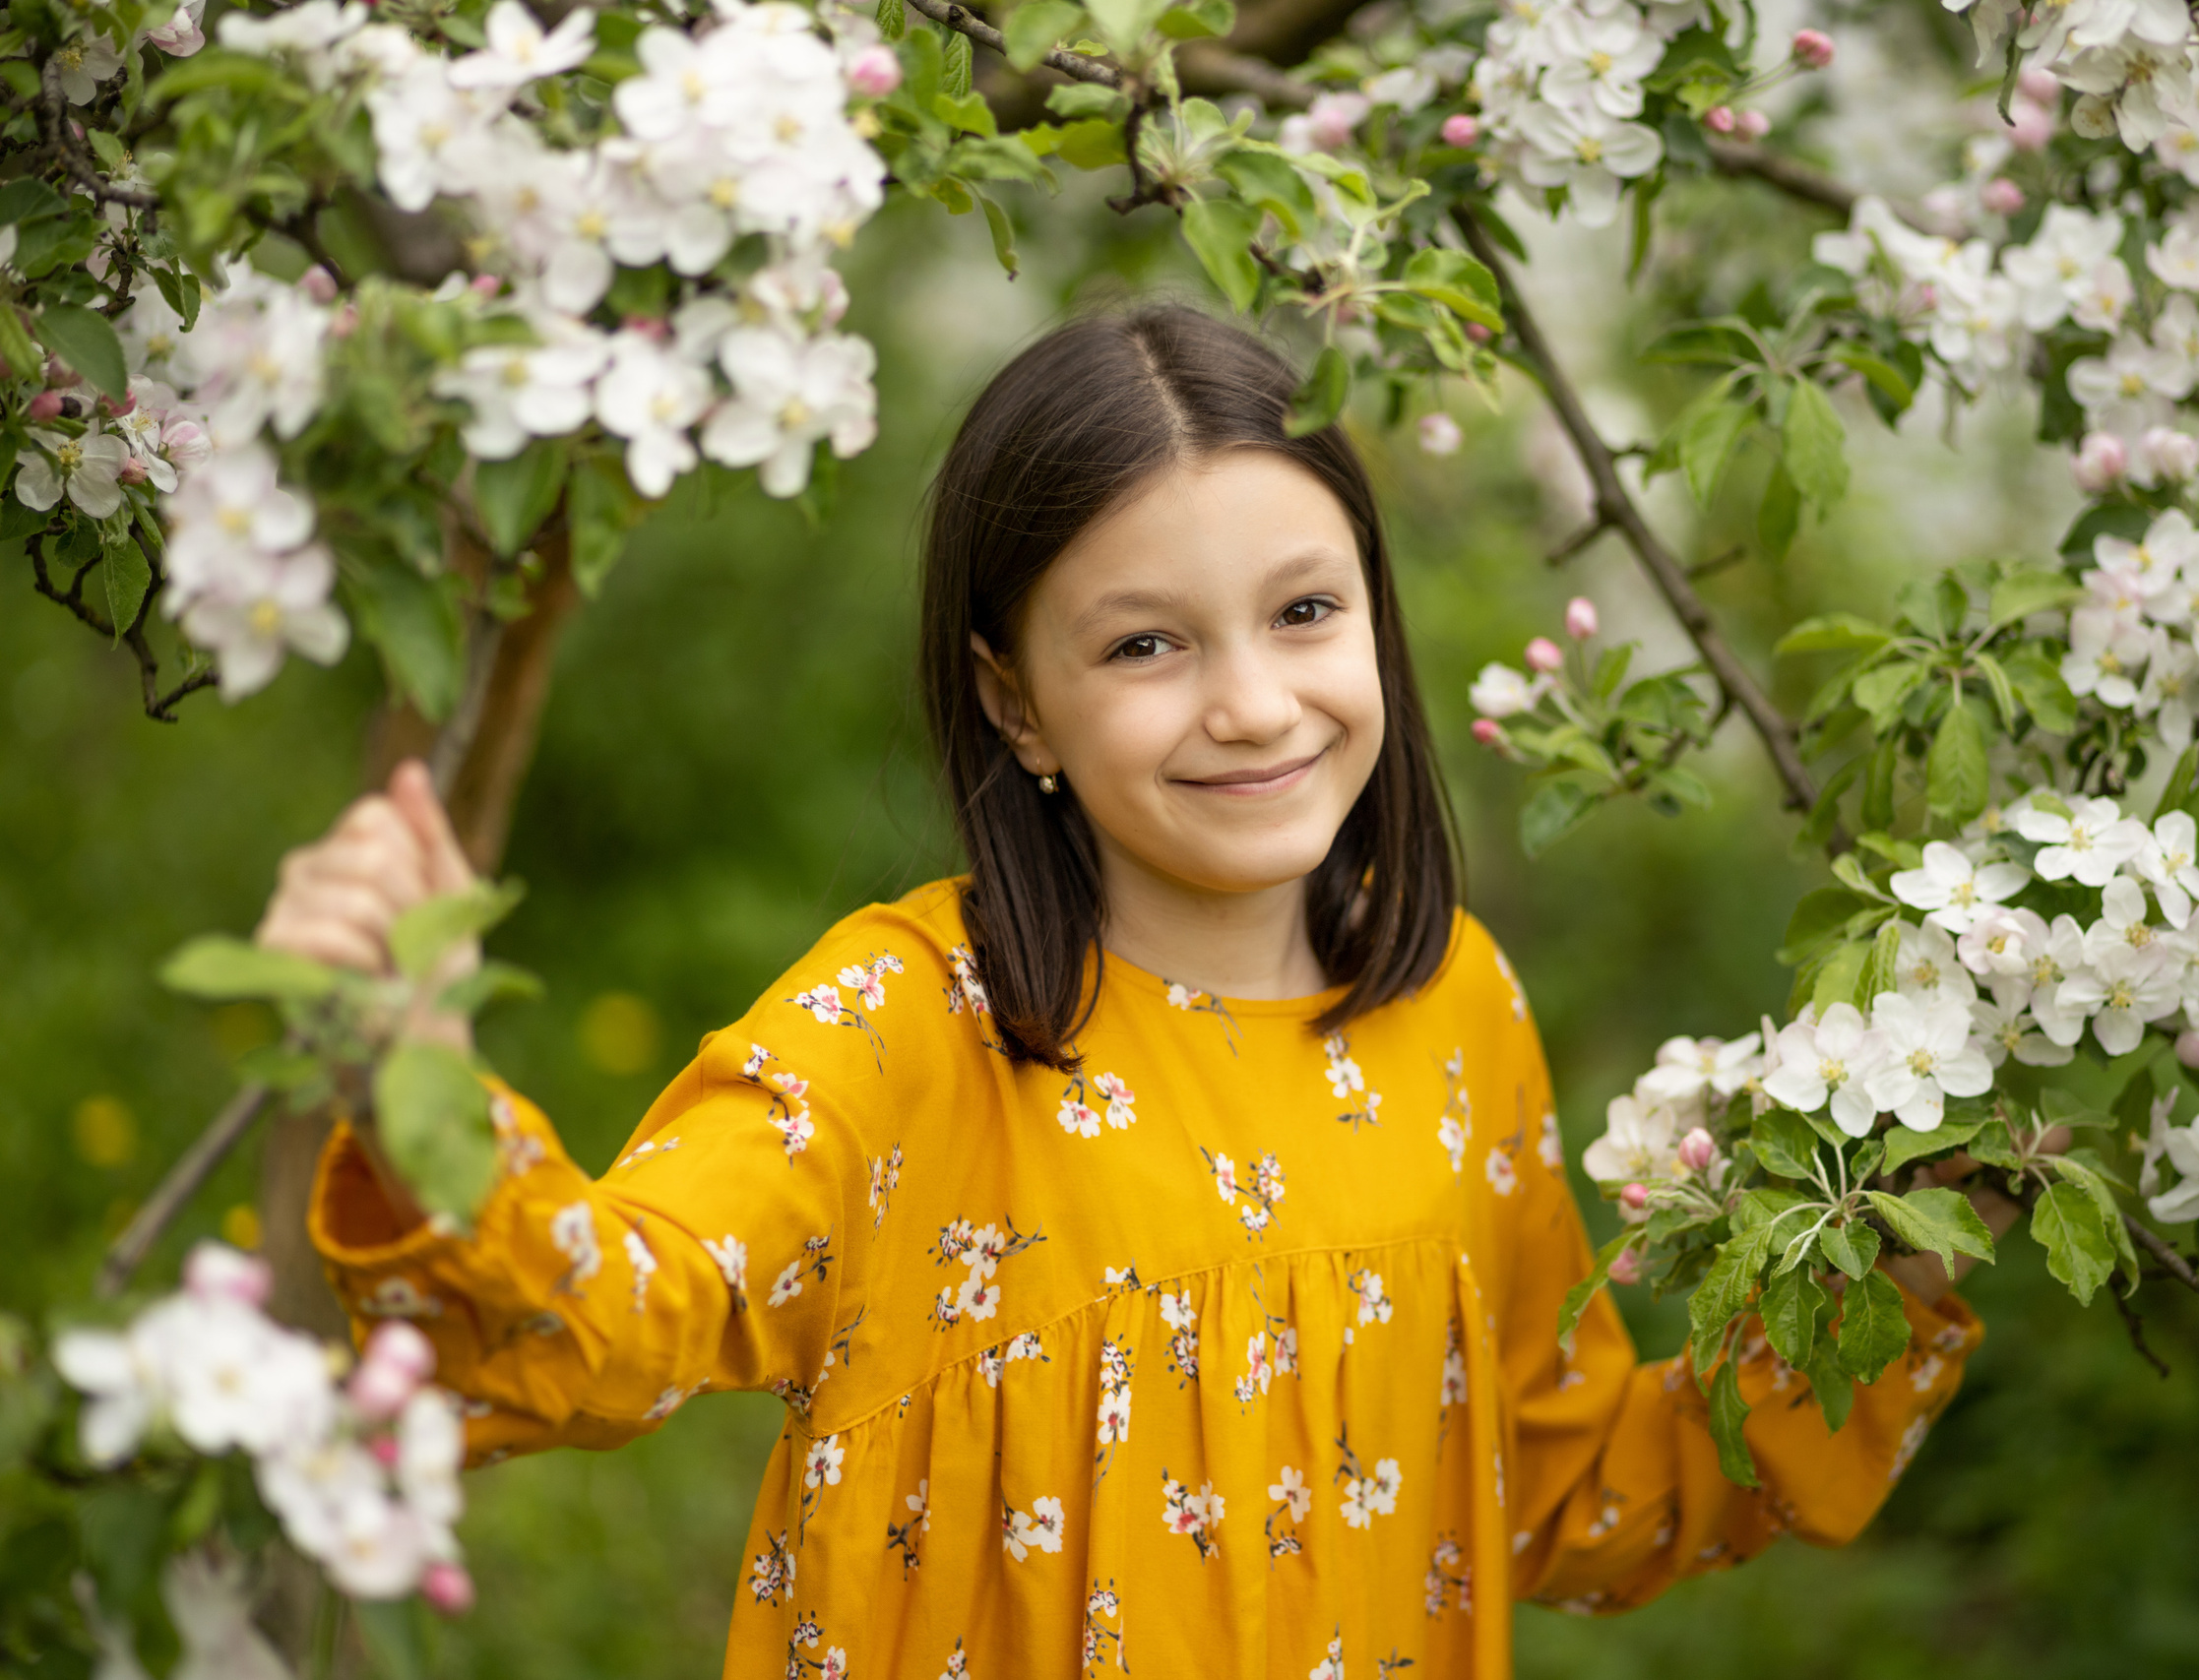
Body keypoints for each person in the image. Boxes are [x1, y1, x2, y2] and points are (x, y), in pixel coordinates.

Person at [261, 307, 1999, 1679]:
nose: (1252, 705)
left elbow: (1556, 1493)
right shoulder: (908, 1030)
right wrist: (412, 1085)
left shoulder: (1452, 1013)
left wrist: (1900, 1260)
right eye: (1146, 644)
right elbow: (604, 1324)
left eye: (1303, 612)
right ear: (1015, 701)